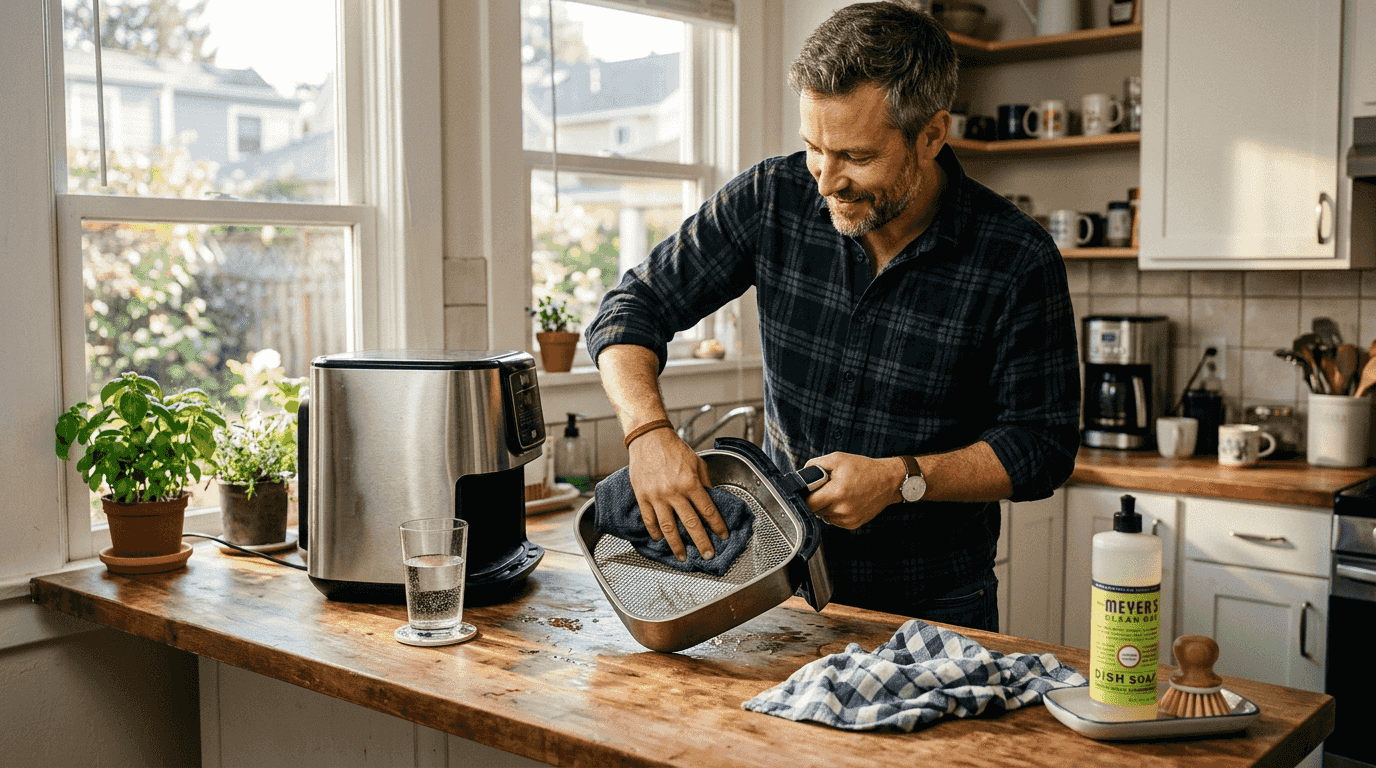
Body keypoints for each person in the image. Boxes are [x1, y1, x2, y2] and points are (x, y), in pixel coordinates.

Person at [584, 2, 1080, 632]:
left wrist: (902, 478)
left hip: (937, 611)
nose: (826, 181)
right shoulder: (771, 199)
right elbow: (632, 308)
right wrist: (647, 434)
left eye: (856, 156)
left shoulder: (1015, 259)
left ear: (931, 135)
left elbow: (1042, 447)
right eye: (814, 148)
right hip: (776, 590)